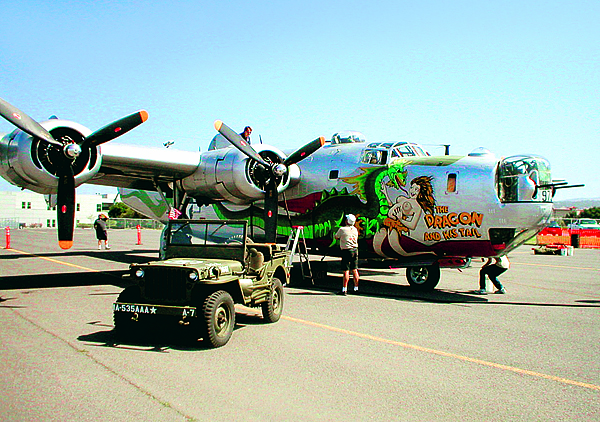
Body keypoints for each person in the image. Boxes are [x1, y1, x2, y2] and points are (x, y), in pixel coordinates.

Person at [334, 214, 359, 295]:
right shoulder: (355, 229)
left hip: (346, 251)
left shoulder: (342, 229)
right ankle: (356, 288)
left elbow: (336, 237)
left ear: (346, 221)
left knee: (346, 270)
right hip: (355, 250)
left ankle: (344, 289)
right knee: (354, 269)